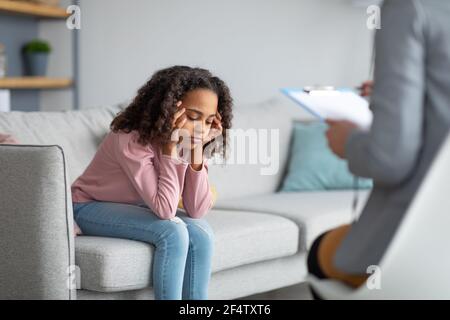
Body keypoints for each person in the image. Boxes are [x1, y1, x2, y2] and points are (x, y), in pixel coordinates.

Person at [308, 0, 450, 290]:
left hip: (423, 241)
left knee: (319, 254)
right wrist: (390, 97)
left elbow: (389, 160)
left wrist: (347, 141)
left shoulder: (407, 9)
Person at [71, 66, 233, 300]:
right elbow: (165, 210)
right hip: (88, 206)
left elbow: (196, 210)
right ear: (168, 109)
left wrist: (197, 150)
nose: (201, 127)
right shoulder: (129, 138)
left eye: (208, 121)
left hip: (136, 207)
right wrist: (169, 150)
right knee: (173, 231)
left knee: (201, 231)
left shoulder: (188, 139)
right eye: (193, 117)